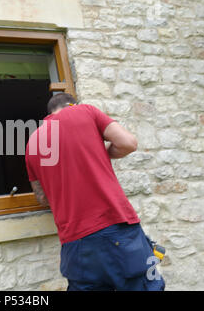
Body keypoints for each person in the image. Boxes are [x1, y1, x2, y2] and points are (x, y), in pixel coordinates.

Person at [25, 93, 165, 291]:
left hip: (74, 244)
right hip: (115, 228)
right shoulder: (84, 111)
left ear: (49, 114)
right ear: (73, 104)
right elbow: (128, 143)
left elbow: (42, 198)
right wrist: (99, 155)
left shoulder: (32, 143)